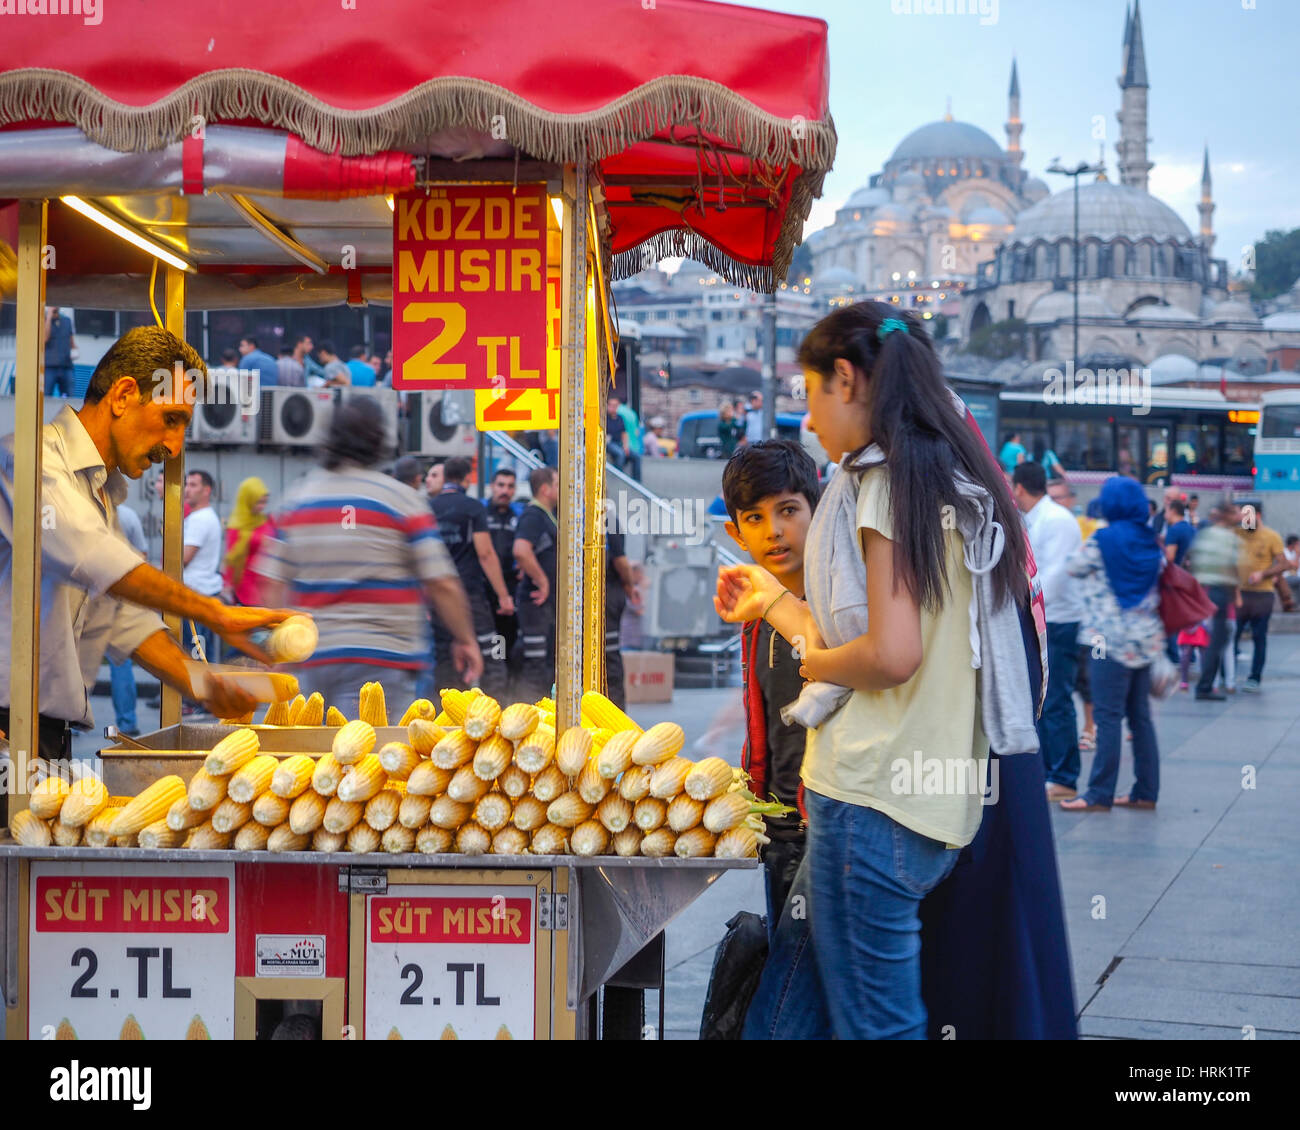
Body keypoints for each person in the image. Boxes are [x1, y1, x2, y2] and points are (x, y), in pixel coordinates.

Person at [718, 303, 1040, 1040]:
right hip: (930, 801)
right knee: (799, 998)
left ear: (846, 379)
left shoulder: (887, 483)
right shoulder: (950, 477)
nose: (811, 421)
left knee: (877, 1025)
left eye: (810, 395)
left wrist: (820, 664)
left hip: (872, 796)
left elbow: (889, 655)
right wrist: (776, 606)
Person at [0, 326, 285, 769]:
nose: (174, 447)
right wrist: (216, 614)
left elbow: (118, 617)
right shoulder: (29, 461)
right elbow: (92, 556)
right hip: (6, 733)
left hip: (44, 741)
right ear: (123, 395)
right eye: (172, 419)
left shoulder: (99, 493)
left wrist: (203, 684)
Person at [257, 398, 483, 719]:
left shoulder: (295, 501)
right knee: (370, 761)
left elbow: (271, 584)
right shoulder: (401, 500)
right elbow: (441, 582)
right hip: (384, 661)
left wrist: (275, 650)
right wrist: (465, 639)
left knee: (313, 763)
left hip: (312, 660)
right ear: (378, 441)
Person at [719, 438, 819, 926]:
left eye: (788, 510)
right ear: (735, 533)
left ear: (817, 512)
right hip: (777, 827)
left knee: (797, 982)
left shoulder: (837, 605)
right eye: (754, 518)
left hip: (826, 827)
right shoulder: (756, 616)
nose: (774, 531)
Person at [1061, 476, 1164, 812]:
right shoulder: (1151, 540)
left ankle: (1099, 794)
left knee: (1107, 717)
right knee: (1141, 719)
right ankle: (1145, 792)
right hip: (1145, 640)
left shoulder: (1102, 540)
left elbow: (1072, 567)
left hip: (1107, 642)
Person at [1012, 461, 1083, 801]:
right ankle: (1050, 770)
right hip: (1042, 620)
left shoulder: (1057, 521)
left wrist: (1026, 610)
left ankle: (1065, 775)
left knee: (1056, 700)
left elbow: (1054, 577)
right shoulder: (1036, 518)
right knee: (1044, 699)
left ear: (1020, 488)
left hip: (1057, 621)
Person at [430, 456, 514, 699]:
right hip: (470, 595)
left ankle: (445, 723)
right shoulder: (473, 507)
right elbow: (486, 554)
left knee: (446, 661)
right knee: (491, 654)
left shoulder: (429, 508)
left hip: (439, 597)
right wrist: (503, 595)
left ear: (445, 477)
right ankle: (494, 715)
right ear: (468, 478)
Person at [512, 466, 559, 702]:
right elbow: (521, 550)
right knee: (535, 664)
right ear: (545, 489)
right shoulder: (533, 515)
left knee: (546, 663)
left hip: (545, 608)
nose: (563, 490)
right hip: (535, 604)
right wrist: (542, 581)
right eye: (558, 484)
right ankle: (527, 713)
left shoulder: (547, 515)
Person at [1189, 503, 1241, 702]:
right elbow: (1232, 566)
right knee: (1218, 639)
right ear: (1227, 515)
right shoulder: (1228, 537)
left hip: (1205, 591)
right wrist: (1236, 593)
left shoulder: (1205, 534)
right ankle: (1205, 686)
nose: (1238, 516)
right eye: (1235, 512)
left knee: (1215, 637)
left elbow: (1193, 560)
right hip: (1219, 591)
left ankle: (1207, 683)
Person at [1234, 502, 1287, 692]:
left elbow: (1283, 564)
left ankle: (1255, 676)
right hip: (1240, 593)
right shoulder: (1237, 533)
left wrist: (1263, 574)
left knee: (1259, 636)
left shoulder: (1271, 536)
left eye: (1247, 516)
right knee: (1234, 634)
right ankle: (1228, 674)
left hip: (1262, 594)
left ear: (1258, 516)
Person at [109, 501, 148, 735]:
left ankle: (71, 721)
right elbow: (142, 555)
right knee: (120, 663)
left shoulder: (81, 510)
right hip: (120, 596)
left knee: (76, 662)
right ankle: (127, 722)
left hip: (83, 596)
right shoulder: (129, 515)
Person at [483, 468, 523, 695]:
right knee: (490, 656)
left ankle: (506, 702)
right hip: (485, 595)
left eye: (510, 486)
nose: (505, 491)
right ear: (492, 486)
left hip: (511, 595)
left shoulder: (517, 515)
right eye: (501, 485)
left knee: (507, 653)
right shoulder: (481, 513)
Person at [181, 470, 225, 669]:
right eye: (186, 484)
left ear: (207, 490)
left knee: (197, 655)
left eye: (193, 485)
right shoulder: (204, 517)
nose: (187, 489)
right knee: (201, 654)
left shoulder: (200, 519)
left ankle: (198, 699)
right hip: (201, 594)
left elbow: (182, 559)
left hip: (195, 596)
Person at [602, 521, 641, 711]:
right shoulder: (606, 519)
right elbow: (620, 561)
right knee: (610, 663)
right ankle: (615, 712)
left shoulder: (566, 514)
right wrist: (629, 585)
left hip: (587, 596)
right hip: (606, 596)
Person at [222, 477, 277, 610]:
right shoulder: (236, 526)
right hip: (245, 588)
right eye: (258, 502)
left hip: (266, 585)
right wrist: (227, 586)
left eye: (264, 502)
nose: (262, 506)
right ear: (247, 500)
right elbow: (232, 560)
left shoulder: (267, 521)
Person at [43, 306, 77, 398]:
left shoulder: (67, 320)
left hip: (66, 366)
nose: (54, 307)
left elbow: (71, 341)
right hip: (49, 366)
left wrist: (75, 351)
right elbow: (45, 338)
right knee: (46, 395)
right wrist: (49, 317)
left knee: (70, 396)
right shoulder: (43, 321)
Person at [615, 397, 643, 479]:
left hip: (623, 445)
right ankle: (637, 483)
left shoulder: (618, 411)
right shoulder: (632, 413)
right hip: (634, 447)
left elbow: (623, 432)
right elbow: (637, 431)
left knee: (620, 456)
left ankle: (619, 479)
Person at [1162, 499, 1195, 566]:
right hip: (1188, 574)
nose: (1164, 516)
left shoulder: (1173, 530)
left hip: (1175, 573)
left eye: (1166, 512)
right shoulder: (1192, 529)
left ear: (1173, 511)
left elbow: (1169, 558)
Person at [605, 397, 629, 470]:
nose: (613, 408)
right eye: (611, 405)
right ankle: (618, 475)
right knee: (620, 454)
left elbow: (624, 433)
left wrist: (625, 446)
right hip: (609, 444)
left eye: (615, 406)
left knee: (636, 456)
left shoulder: (620, 418)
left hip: (619, 443)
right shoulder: (604, 418)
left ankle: (636, 480)